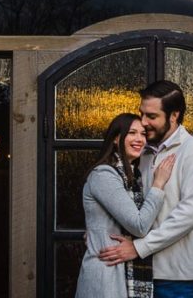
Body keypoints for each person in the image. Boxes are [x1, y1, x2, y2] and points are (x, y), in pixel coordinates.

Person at [98, 80, 193, 298]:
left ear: (174, 116)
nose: (143, 122)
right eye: (141, 114)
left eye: (151, 117)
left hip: (183, 278)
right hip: (142, 275)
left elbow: (189, 215)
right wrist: (100, 232)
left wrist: (138, 247)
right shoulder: (141, 153)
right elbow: (129, 206)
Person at [75, 113, 178, 298]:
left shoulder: (133, 178)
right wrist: (158, 184)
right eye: (132, 133)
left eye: (143, 134)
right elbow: (139, 225)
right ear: (116, 138)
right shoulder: (104, 175)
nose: (139, 139)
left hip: (120, 273)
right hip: (105, 278)